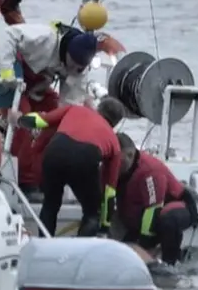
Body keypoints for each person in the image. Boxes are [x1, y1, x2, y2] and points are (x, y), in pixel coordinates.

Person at [0, 22, 99, 193]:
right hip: (12, 82)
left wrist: (52, 122)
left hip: (38, 85)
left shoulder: (79, 69)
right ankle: (22, 181)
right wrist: (7, 73)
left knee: (56, 124)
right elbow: (7, 35)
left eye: (80, 67)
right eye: (73, 63)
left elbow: (68, 107)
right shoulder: (44, 37)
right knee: (24, 122)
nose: (75, 69)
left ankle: (43, 176)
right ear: (66, 52)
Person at [10, 97, 126, 237]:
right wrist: (105, 226)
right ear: (116, 123)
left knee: (50, 205)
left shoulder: (75, 109)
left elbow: (42, 120)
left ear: (98, 108)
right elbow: (109, 191)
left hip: (55, 153)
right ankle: (79, 250)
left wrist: (20, 120)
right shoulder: (114, 143)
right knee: (92, 213)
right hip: (85, 159)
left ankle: (44, 244)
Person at [115, 133, 198, 265]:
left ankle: (170, 265)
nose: (115, 164)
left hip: (175, 205)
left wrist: (143, 245)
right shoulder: (112, 166)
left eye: (118, 161)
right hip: (140, 214)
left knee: (167, 219)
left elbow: (153, 209)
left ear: (130, 155)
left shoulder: (149, 171)